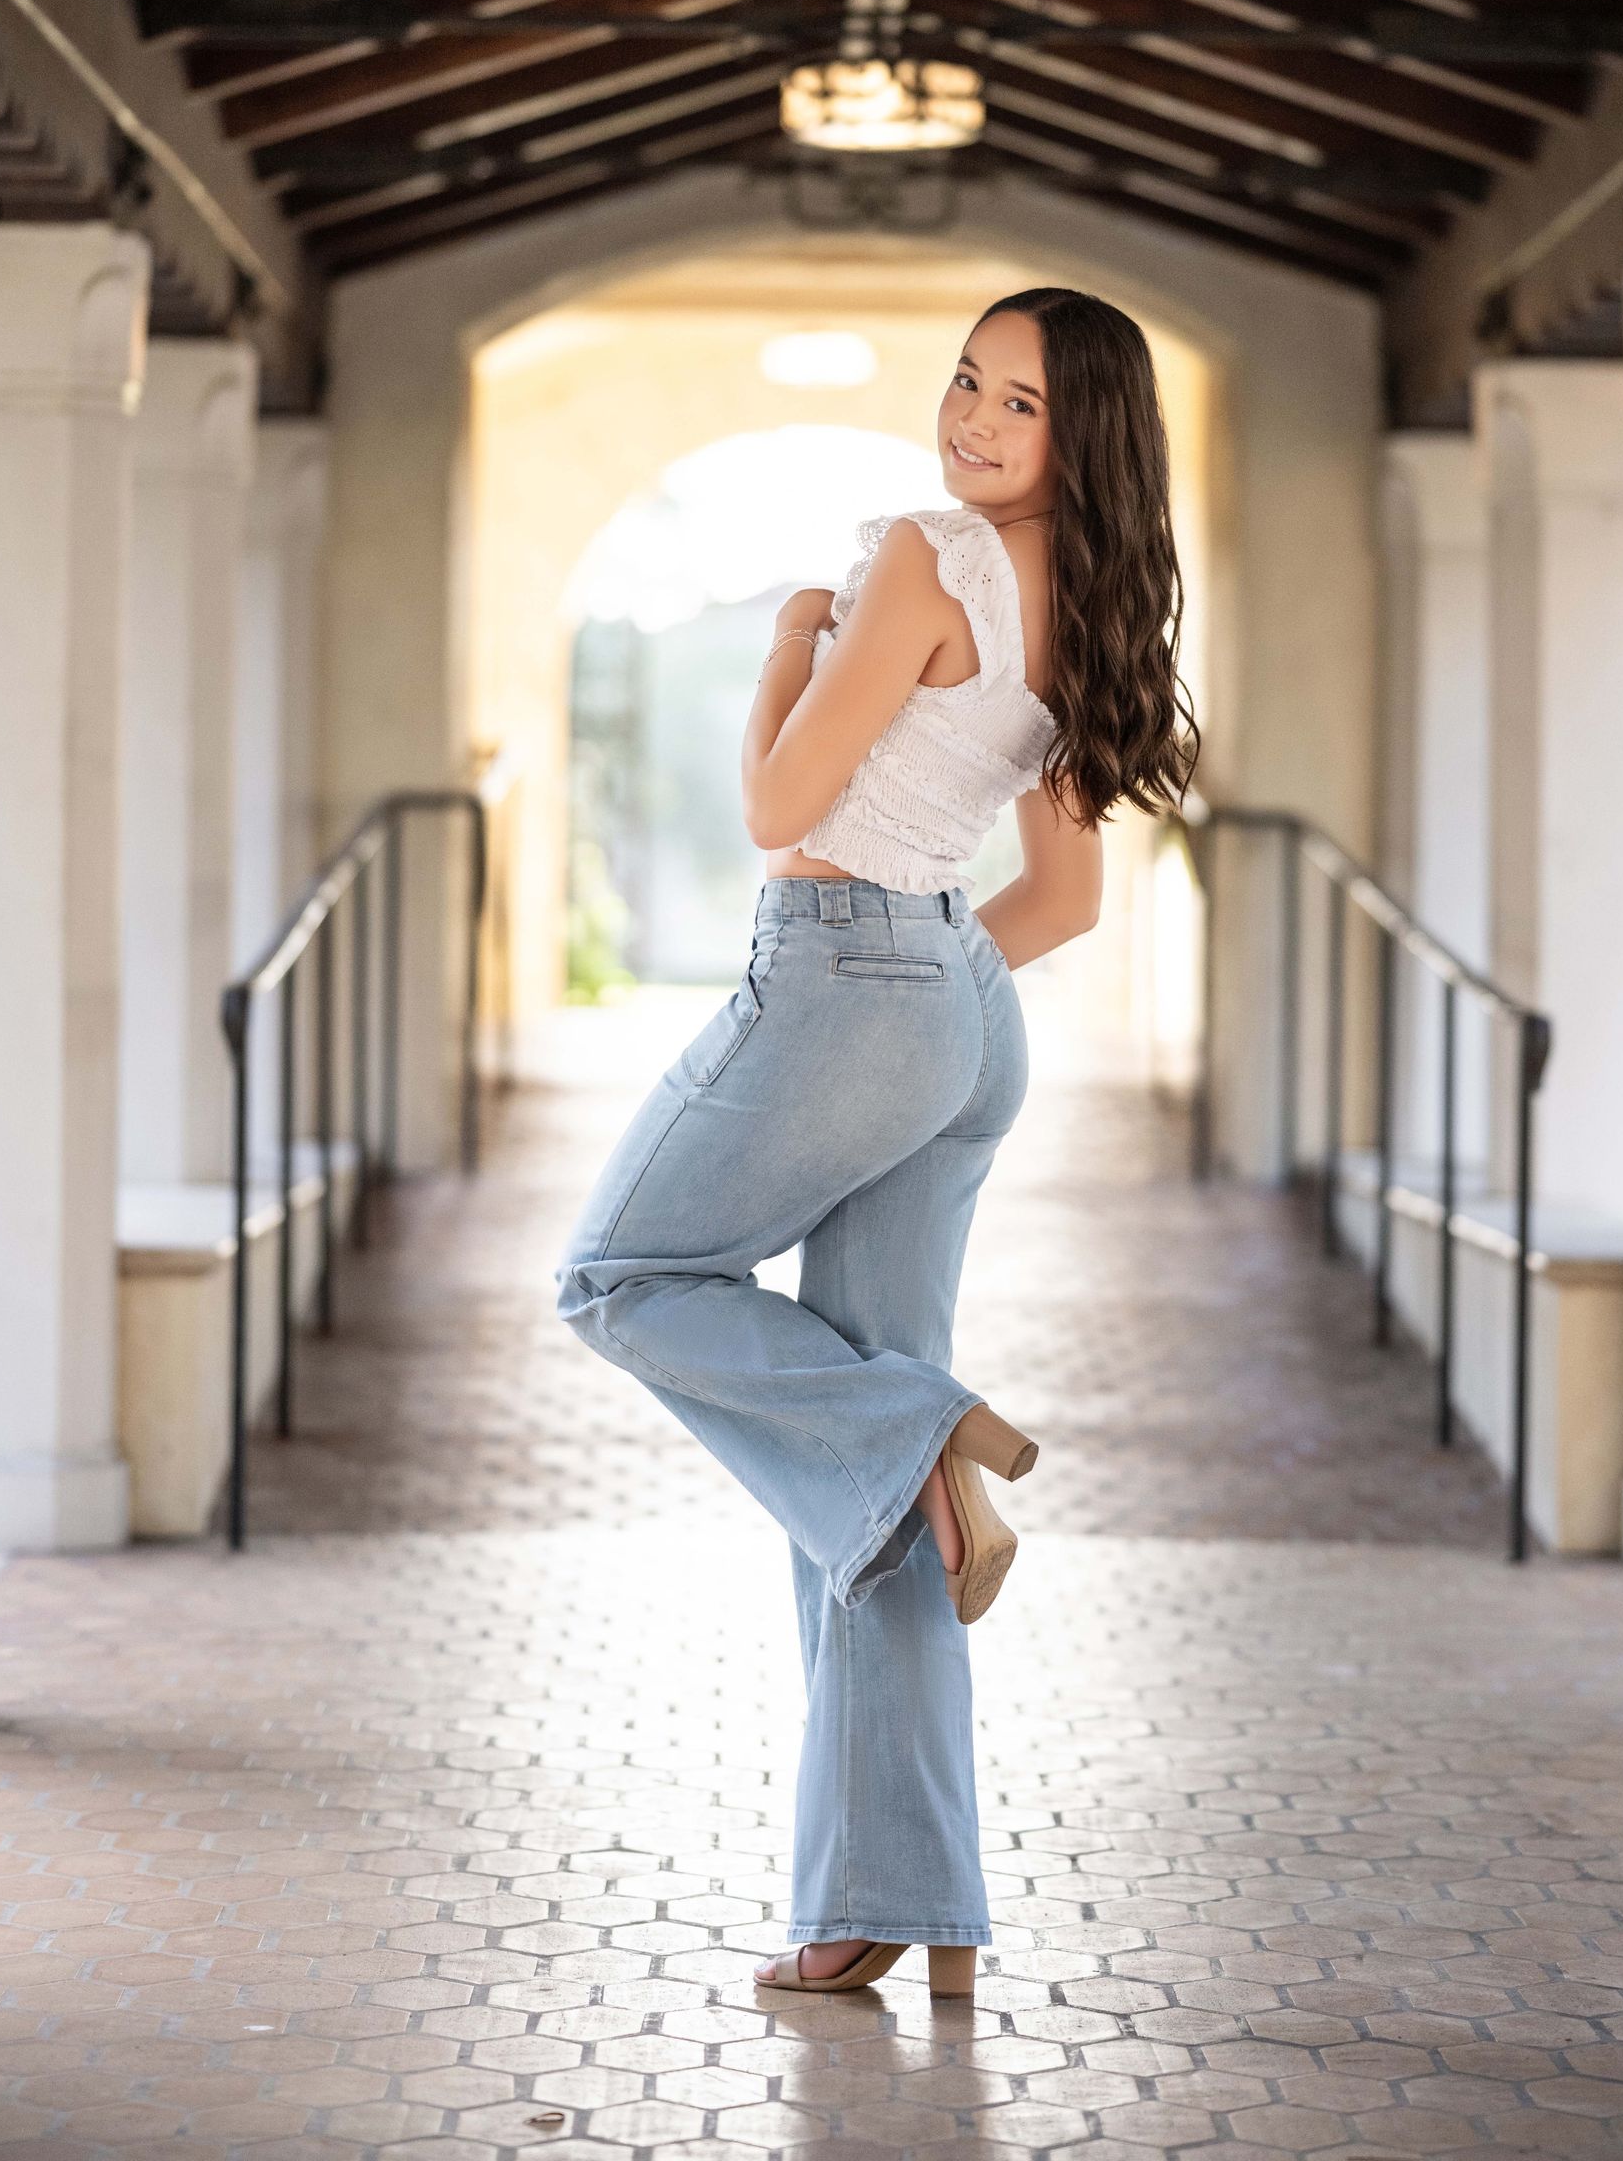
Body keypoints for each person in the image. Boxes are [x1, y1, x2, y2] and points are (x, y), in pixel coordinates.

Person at [555, 283, 1197, 2000]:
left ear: (1087, 437)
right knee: (873, 1505)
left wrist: (786, 648)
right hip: (965, 1011)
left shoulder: (923, 556)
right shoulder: (1102, 609)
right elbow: (1057, 899)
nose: (973, 422)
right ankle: (894, 1903)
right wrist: (934, 991)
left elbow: (778, 812)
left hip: (847, 974)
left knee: (617, 1277)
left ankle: (923, 1436)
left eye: (1021, 407)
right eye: (966, 384)